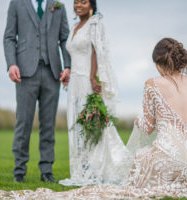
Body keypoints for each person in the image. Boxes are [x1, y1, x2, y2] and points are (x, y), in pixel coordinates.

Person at [0, 38, 187, 199]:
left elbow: (147, 126)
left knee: (142, 159)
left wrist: (139, 121)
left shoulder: (153, 84)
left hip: (170, 159)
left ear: (158, 62)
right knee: (154, 157)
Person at [58, 0, 133, 186]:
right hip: (74, 82)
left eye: (83, 2)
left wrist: (93, 78)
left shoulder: (95, 24)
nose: (78, 5)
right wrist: (68, 73)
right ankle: (81, 171)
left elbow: (96, 52)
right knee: (76, 127)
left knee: (91, 126)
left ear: (91, 5)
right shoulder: (76, 25)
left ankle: (96, 171)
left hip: (87, 82)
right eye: (76, 2)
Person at [3, 0, 71, 183]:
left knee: (48, 125)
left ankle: (47, 171)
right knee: (23, 123)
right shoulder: (16, 4)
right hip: (25, 72)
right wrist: (11, 64)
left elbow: (65, 38)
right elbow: (9, 37)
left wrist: (68, 66)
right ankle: (19, 170)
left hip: (52, 72)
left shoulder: (58, 5)